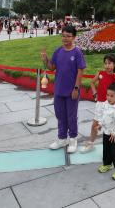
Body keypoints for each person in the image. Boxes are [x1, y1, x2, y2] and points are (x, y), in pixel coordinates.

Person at [40, 25, 86, 153]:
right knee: (60, 115)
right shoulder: (58, 51)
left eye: (68, 36)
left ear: (74, 37)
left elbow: (80, 71)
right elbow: (51, 67)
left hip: (72, 90)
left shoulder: (77, 52)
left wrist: (76, 88)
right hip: (59, 89)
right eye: (63, 36)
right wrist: (45, 60)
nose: (65, 38)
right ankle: (62, 139)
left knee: (71, 116)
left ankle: (73, 139)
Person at [81, 53, 115, 153]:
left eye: (109, 63)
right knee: (94, 125)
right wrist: (94, 92)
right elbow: (92, 82)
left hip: (110, 106)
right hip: (100, 104)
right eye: (105, 63)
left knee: (110, 128)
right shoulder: (100, 74)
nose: (107, 66)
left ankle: (112, 150)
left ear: (114, 64)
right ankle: (91, 143)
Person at [97, 82, 115, 180]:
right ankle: (107, 164)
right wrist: (100, 124)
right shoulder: (106, 104)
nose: (109, 98)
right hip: (107, 131)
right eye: (107, 95)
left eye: (111, 96)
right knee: (106, 149)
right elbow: (104, 115)